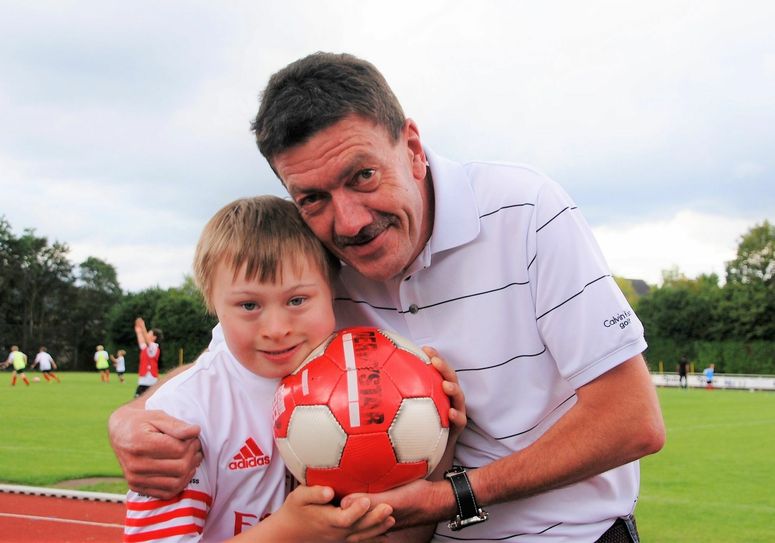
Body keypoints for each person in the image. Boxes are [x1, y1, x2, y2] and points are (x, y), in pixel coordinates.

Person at [110, 52, 665, 542]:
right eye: (313, 197)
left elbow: (631, 420)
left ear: (414, 148)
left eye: (364, 176)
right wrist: (135, 417)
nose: (348, 220)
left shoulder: (526, 211)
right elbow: (230, 359)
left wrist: (452, 496)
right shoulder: (314, 266)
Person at [122, 195, 464, 541]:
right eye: (249, 304)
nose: (276, 328)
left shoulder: (363, 390)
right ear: (211, 301)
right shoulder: (183, 415)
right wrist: (288, 532)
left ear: (333, 290)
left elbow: (405, 539)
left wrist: (438, 434)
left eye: (297, 300)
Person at [134, 318, 161, 398]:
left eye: (149, 333)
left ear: (154, 337)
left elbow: (145, 339)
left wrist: (143, 326)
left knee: (140, 400)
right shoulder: (146, 348)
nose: (147, 334)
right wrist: (138, 331)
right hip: (144, 380)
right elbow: (142, 342)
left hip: (150, 380)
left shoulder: (154, 347)